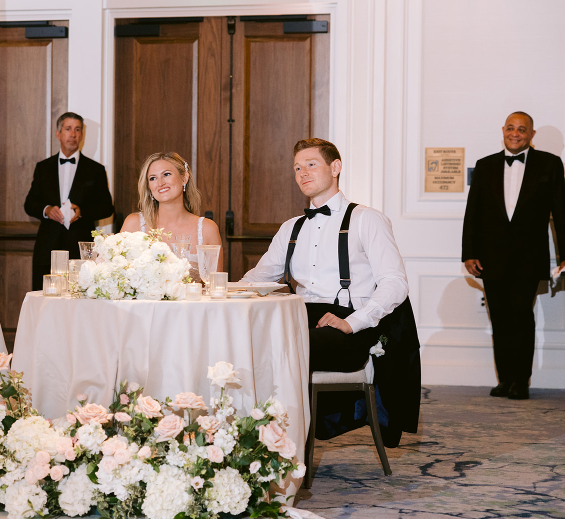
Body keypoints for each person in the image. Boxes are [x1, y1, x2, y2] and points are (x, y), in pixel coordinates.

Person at [242, 138, 419, 446]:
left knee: (285, 347)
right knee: (252, 342)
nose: (302, 174)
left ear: (335, 167)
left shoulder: (366, 219)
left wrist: (354, 322)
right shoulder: (291, 228)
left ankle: (280, 442)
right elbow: (257, 279)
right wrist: (217, 292)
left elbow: (395, 283)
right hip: (301, 318)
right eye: (297, 168)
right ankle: (253, 438)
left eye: (311, 165)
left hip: (350, 327)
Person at [462, 111, 565, 400]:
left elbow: (561, 212)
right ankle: (505, 379)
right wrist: (469, 253)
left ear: (531, 135)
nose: (515, 133)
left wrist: (564, 256)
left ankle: (521, 380)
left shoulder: (550, 164)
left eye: (522, 129)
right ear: (503, 131)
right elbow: (474, 213)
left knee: (521, 318)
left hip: (529, 259)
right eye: (511, 128)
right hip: (490, 259)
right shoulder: (485, 166)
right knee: (501, 320)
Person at [24, 112, 114, 290]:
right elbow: (30, 203)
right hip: (47, 247)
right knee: (43, 299)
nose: (73, 134)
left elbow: (106, 208)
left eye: (77, 129)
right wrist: (47, 209)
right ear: (58, 134)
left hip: (80, 248)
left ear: (82, 135)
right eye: (68, 129)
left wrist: (82, 211)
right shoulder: (43, 168)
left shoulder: (95, 170)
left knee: (79, 301)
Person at [120, 152, 222, 276]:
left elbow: (215, 287)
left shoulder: (207, 229)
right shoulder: (133, 224)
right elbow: (117, 276)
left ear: (184, 178)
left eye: (166, 174)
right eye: (153, 178)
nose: (160, 183)